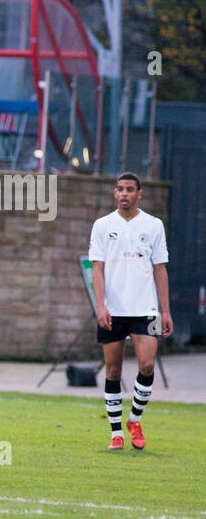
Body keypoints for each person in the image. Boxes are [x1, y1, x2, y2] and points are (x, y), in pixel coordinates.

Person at [88, 171, 172, 451]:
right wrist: (100, 306)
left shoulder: (153, 225)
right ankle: (116, 434)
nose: (124, 194)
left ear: (139, 194)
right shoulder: (102, 225)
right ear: (115, 193)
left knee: (147, 364)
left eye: (129, 190)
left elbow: (160, 268)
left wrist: (166, 311)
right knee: (113, 370)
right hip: (113, 310)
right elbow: (96, 269)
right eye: (120, 189)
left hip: (146, 309)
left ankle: (134, 420)